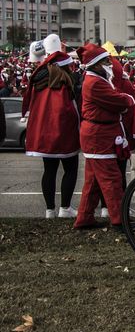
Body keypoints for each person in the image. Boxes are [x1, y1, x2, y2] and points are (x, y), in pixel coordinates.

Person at [73, 43, 135, 230]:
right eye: (106, 60)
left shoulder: (96, 79)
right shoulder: (95, 83)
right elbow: (118, 100)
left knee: (92, 181)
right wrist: (129, 100)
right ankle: (119, 219)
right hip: (99, 136)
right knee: (111, 179)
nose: (110, 63)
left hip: (98, 135)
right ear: (97, 64)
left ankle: (84, 218)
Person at [22, 35, 80, 218]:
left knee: (49, 170)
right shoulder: (67, 78)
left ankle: (49, 210)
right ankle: (65, 208)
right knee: (70, 168)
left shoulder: (38, 77)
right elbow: (74, 105)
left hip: (44, 130)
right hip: (64, 128)